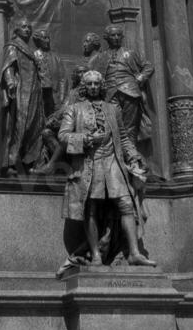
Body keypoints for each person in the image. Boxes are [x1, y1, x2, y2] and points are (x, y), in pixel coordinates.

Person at [59, 71, 156, 267]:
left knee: (126, 204)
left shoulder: (113, 109)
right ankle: (96, 255)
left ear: (101, 85)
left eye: (96, 83)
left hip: (112, 162)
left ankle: (134, 253)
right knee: (91, 209)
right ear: (84, 87)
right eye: (90, 84)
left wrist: (134, 155)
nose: (94, 87)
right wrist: (85, 139)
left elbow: (124, 137)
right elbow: (63, 135)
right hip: (89, 163)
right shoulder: (74, 109)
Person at [97, 25, 155, 150]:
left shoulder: (131, 53)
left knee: (130, 126)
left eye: (119, 35)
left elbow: (148, 66)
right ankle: (116, 154)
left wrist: (140, 77)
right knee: (113, 124)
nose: (116, 38)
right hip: (110, 93)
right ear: (107, 38)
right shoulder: (101, 56)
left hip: (130, 91)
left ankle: (131, 154)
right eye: (113, 35)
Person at [0, 17, 45, 174]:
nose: (27, 29)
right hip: (21, 90)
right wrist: (10, 82)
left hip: (33, 91)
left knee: (34, 124)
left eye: (29, 27)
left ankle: (29, 160)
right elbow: (8, 66)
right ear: (16, 29)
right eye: (24, 27)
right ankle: (12, 161)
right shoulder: (13, 46)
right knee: (20, 124)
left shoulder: (30, 49)